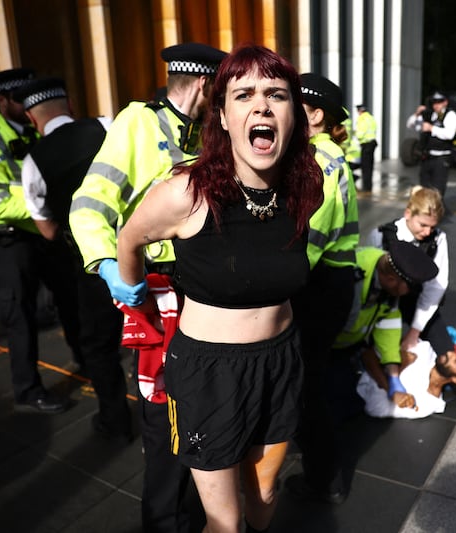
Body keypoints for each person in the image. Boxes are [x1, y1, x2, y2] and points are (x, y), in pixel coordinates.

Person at [115, 44, 324, 533]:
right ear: (224, 116)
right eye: (244, 94)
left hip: (281, 360)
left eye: (276, 94)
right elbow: (130, 238)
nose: (261, 106)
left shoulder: (303, 186)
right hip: (209, 372)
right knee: (224, 523)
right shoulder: (186, 192)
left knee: (266, 492)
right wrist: (135, 298)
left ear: (294, 113)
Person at [69, 42, 227, 533]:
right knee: (162, 411)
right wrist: (106, 264)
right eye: (220, 90)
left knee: (203, 406)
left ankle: (200, 509)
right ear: (203, 85)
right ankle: (163, 520)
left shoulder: (208, 132)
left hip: (202, 289)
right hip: (158, 292)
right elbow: (90, 202)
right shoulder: (137, 123)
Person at [13, 77, 133, 442]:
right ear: (69, 106)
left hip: (91, 264)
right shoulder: (107, 126)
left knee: (99, 347)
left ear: (33, 118)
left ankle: (116, 422)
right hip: (139, 250)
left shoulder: (33, 162)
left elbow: (47, 230)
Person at [0, 67, 81, 414]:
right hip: (12, 243)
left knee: (71, 302)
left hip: (45, 237)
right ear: (2, 101)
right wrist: (40, 206)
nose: (28, 103)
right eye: (20, 99)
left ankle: (87, 362)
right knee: (20, 317)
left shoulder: (38, 135)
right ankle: (28, 390)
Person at [286, 72, 359, 505]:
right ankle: (322, 466)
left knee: (306, 386)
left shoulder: (318, 161)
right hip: (329, 284)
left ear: (313, 114)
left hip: (320, 285)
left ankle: (324, 477)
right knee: (310, 380)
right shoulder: (326, 155)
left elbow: (310, 239)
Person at [329, 240, 439, 420]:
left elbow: (388, 329)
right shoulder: (350, 278)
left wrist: (393, 378)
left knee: (352, 406)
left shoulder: (387, 284)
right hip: (323, 346)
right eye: (409, 289)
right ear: (391, 280)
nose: (408, 295)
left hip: (347, 346)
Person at [367, 186, 451, 356]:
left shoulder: (437, 239)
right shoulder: (380, 235)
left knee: (447, 357)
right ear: (408, 214)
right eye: (423, 225)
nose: (428, 232)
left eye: (432, 227)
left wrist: (415, 331)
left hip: (415, 301)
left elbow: (436, 286)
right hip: (383, 302)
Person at [357, 340, 456, 419]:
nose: (450, 354)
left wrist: (401, 366)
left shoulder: (427, 404)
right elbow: (369, 354)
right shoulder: (424, 349)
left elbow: (374, 408)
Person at [406, 92, 456, 196]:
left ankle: (438, 211)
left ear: (445, 102)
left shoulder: (450, 115)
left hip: (441, 157)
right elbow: (410, 125)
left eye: (439, 102)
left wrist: (431, 128)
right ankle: (427, 211)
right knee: (424, 188)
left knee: (437, 190)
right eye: (434, 102)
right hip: (427, 156)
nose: (436, 105)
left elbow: (450, 134)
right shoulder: (430, 115)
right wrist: (417, 114)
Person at [354, 103, 377, 193]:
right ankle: (369, 186)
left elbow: (360, 134)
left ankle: (366, 187)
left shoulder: (362, 118)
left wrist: (356, 134)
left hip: (366, 144)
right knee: (370, 166)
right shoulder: (371, 118)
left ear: (360, 111)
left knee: (365, 167)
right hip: (372, 143)